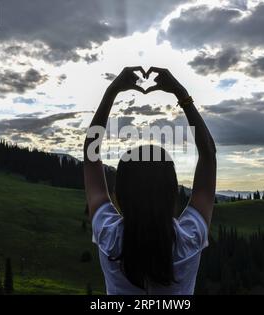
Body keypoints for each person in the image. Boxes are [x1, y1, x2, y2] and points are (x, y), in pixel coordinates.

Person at [83, 66, 216, 294]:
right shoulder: (190, 241)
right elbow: (208, 155)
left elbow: (90, 154)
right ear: (173, 193)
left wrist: (112, 91)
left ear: (119, 196)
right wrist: (181, 94)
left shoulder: (109, 238)